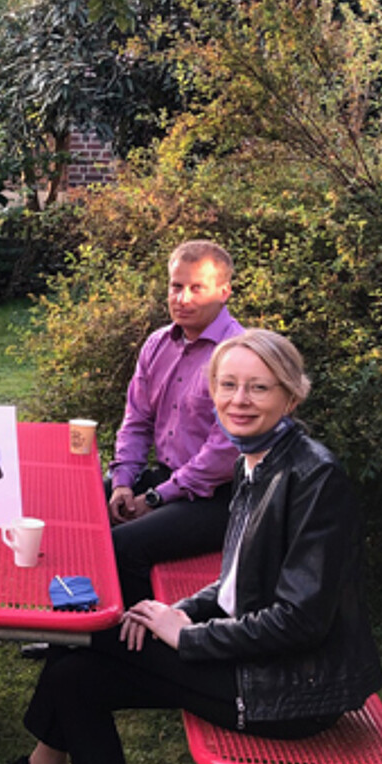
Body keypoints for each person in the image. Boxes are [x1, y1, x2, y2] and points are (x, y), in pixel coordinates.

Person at [0, 330, 382, 764]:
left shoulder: (313, 477)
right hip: (257, 661)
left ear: (291, 395)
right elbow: (237, 583)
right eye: (228, 386)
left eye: (258, 388)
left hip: (290, 689)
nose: (239, 400)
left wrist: (186, 636)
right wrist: (177, 609)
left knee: (86, 637)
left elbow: (301, 621)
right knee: (75, 673)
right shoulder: (257, 460)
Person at [107, 241, 245, 606]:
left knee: (124, 545)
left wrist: (155, 498)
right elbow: (136, 421)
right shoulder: (157, 344)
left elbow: (221, 455)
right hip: (167, 477)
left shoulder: (239, 355)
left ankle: (137, 635)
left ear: (224, 292)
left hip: (220, 497)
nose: (182, 299)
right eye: (176, 286)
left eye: (196, 288)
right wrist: (123, 483)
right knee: (83, 509)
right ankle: (75, 623)